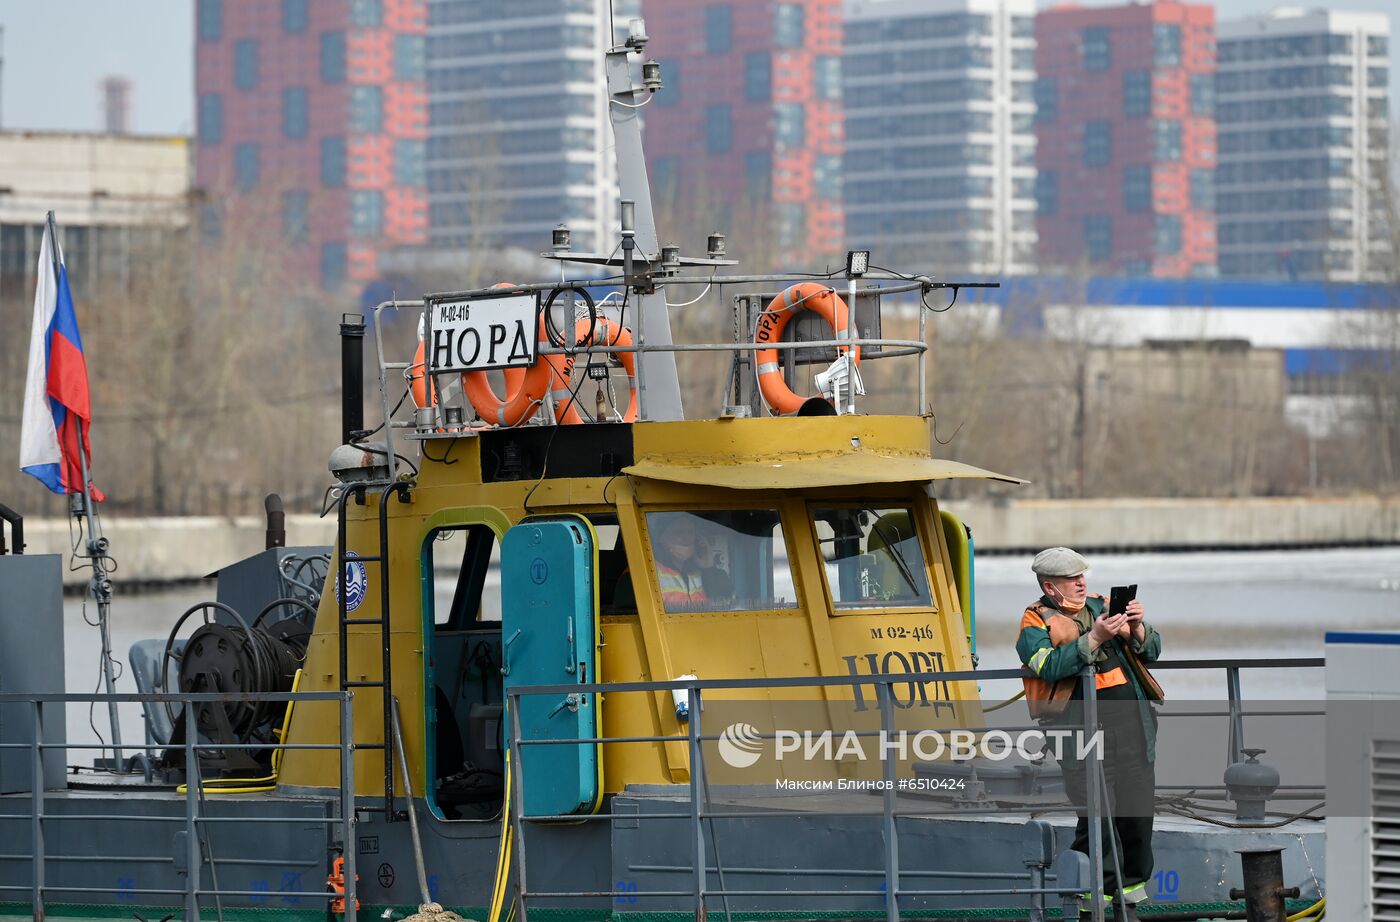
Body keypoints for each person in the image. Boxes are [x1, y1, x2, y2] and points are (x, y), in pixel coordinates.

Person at [1016, 547, 1163, 921]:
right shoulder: (1034, 622)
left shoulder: (1102, 605)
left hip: (1132, 728)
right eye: (1072, 579)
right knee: (1098, 815)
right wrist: (1094, 638)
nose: (1082, 583)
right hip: (1080, 732)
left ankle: (1127, 899)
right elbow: (1047, 667)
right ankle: (1088, 899)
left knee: (1136, 812)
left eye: (1083, 576)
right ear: (1050, 586)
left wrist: (1138, 629)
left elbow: (1154, 650)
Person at [652, 515, 732, 611]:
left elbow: (727, 605)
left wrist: (710, 568)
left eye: (690, 532)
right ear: (662, 538)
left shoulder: (700, 571)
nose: (686, 537)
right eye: (679, 532)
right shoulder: (652, 570)